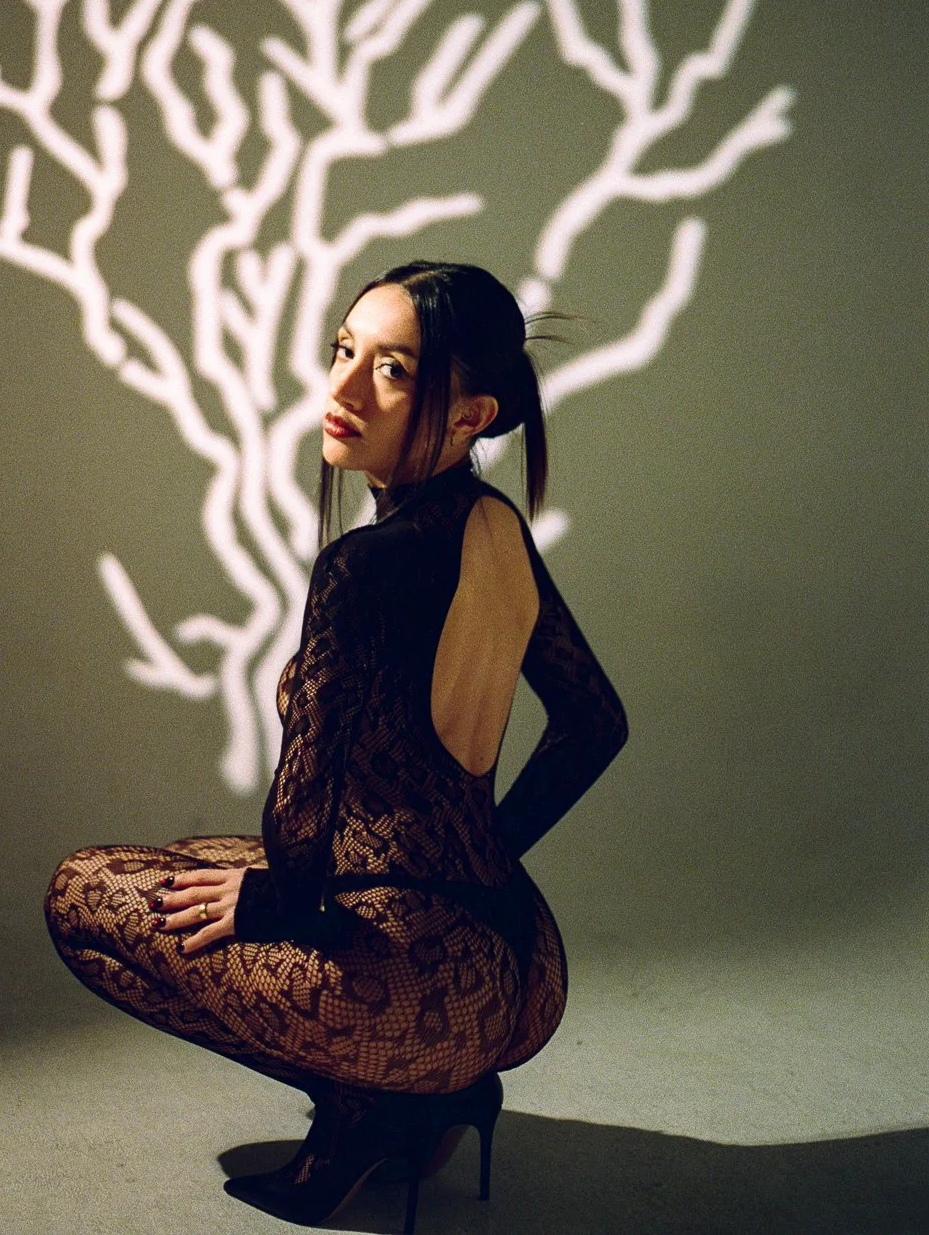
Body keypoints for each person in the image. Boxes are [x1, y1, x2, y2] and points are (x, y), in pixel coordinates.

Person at [44, 260, 628, 1232]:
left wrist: (276, 896)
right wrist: (485, 858)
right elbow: (593, 722)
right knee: (189, 864)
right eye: (343, 352)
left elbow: (303, 807)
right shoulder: (498, 526)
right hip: (521, 964)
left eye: (392, 370)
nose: (344, 391)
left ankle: (373, 1104)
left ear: (469, 415)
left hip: (414, 988)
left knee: (80, 893)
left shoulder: (364, 566)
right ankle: (415, 1102)